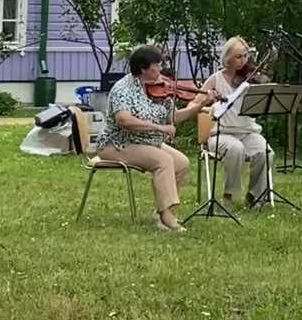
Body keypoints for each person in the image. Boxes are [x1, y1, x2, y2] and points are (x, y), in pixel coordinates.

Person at [97, 44, 216, 233]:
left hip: (146, 142)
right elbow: (124, 119)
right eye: (157, 66)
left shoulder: (159, 88)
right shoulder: (123, 88)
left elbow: (174, 117)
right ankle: (167, 216)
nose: (161, 70)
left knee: (182, 163)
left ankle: (161, 211)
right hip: (118, 143)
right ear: (143, 69)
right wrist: (160, 127)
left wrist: (201, 104)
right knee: (164, 160)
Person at [201, 36, 274, 209]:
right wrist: (208, 105)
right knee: (235, 149)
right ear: (227, 58)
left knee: (266, 153)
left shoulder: (250, 79)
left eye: (245, 56)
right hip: (221, 134)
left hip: (248, 132)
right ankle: (229, 195)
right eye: (238, 57)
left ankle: (256, 196)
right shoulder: (215, 79)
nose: (243, 61)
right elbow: (195, 102)